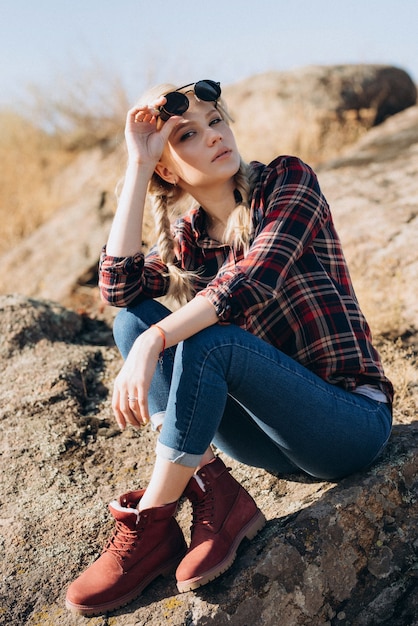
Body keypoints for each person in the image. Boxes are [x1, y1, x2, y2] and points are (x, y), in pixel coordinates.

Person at [65, 79, 393, 616]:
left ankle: (152, 519)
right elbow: (118, 288)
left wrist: (159, 338)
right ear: (169, 169)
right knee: (131, 321)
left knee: (204, 339)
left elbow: (252, 281)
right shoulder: (188, 236)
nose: (216, 136)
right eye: (190, 134)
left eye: (216, 120)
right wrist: (138, 165)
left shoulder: (286, 180)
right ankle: (218, 495)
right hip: (267, 443)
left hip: (347, 425)